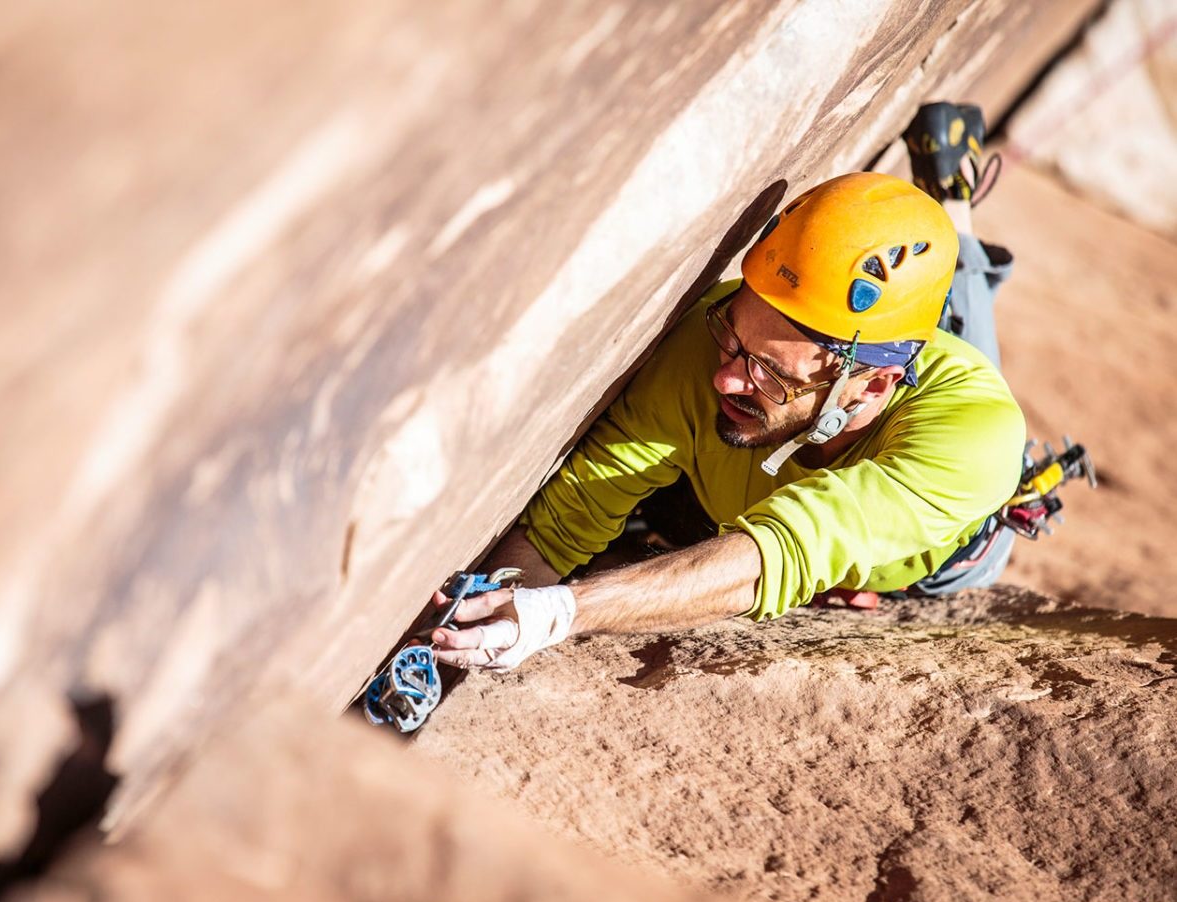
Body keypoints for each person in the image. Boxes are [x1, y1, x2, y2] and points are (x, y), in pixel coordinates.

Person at [431, 102, 1034, 671]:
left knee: (964, 334)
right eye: (733, 339)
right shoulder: (708, 345)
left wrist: (563, 612)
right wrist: (479, 617)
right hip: (753, 480)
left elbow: (786, 551)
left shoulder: (971, 439)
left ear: (873, 388)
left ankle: (953, 203)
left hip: (930, 563)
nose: (725, 375)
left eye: (769, 373)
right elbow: (564, 524)